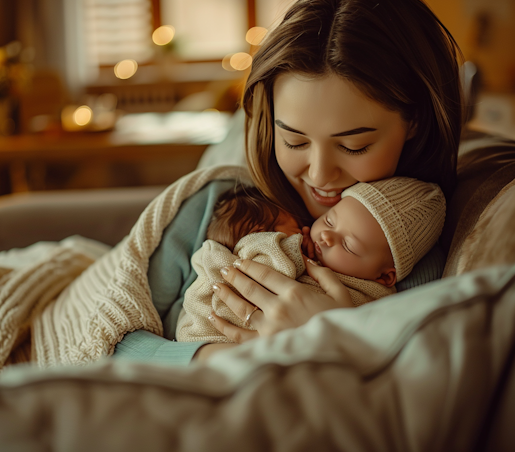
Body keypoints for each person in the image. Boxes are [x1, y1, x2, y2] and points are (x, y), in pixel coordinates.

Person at [113, 0, 463, 364]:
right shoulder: (218, 206)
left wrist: (340, 340)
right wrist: (217, 360)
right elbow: (109, 336)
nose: (319, 174)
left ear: (415, 123)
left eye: (353, 145)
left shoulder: (412, 260)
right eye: (294, 141)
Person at [176, 177, 445, 343]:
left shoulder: (376, 298)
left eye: (349, 245)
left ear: (384, 276)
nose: (326, 235)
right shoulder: (234, 200)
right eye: (329, 220)